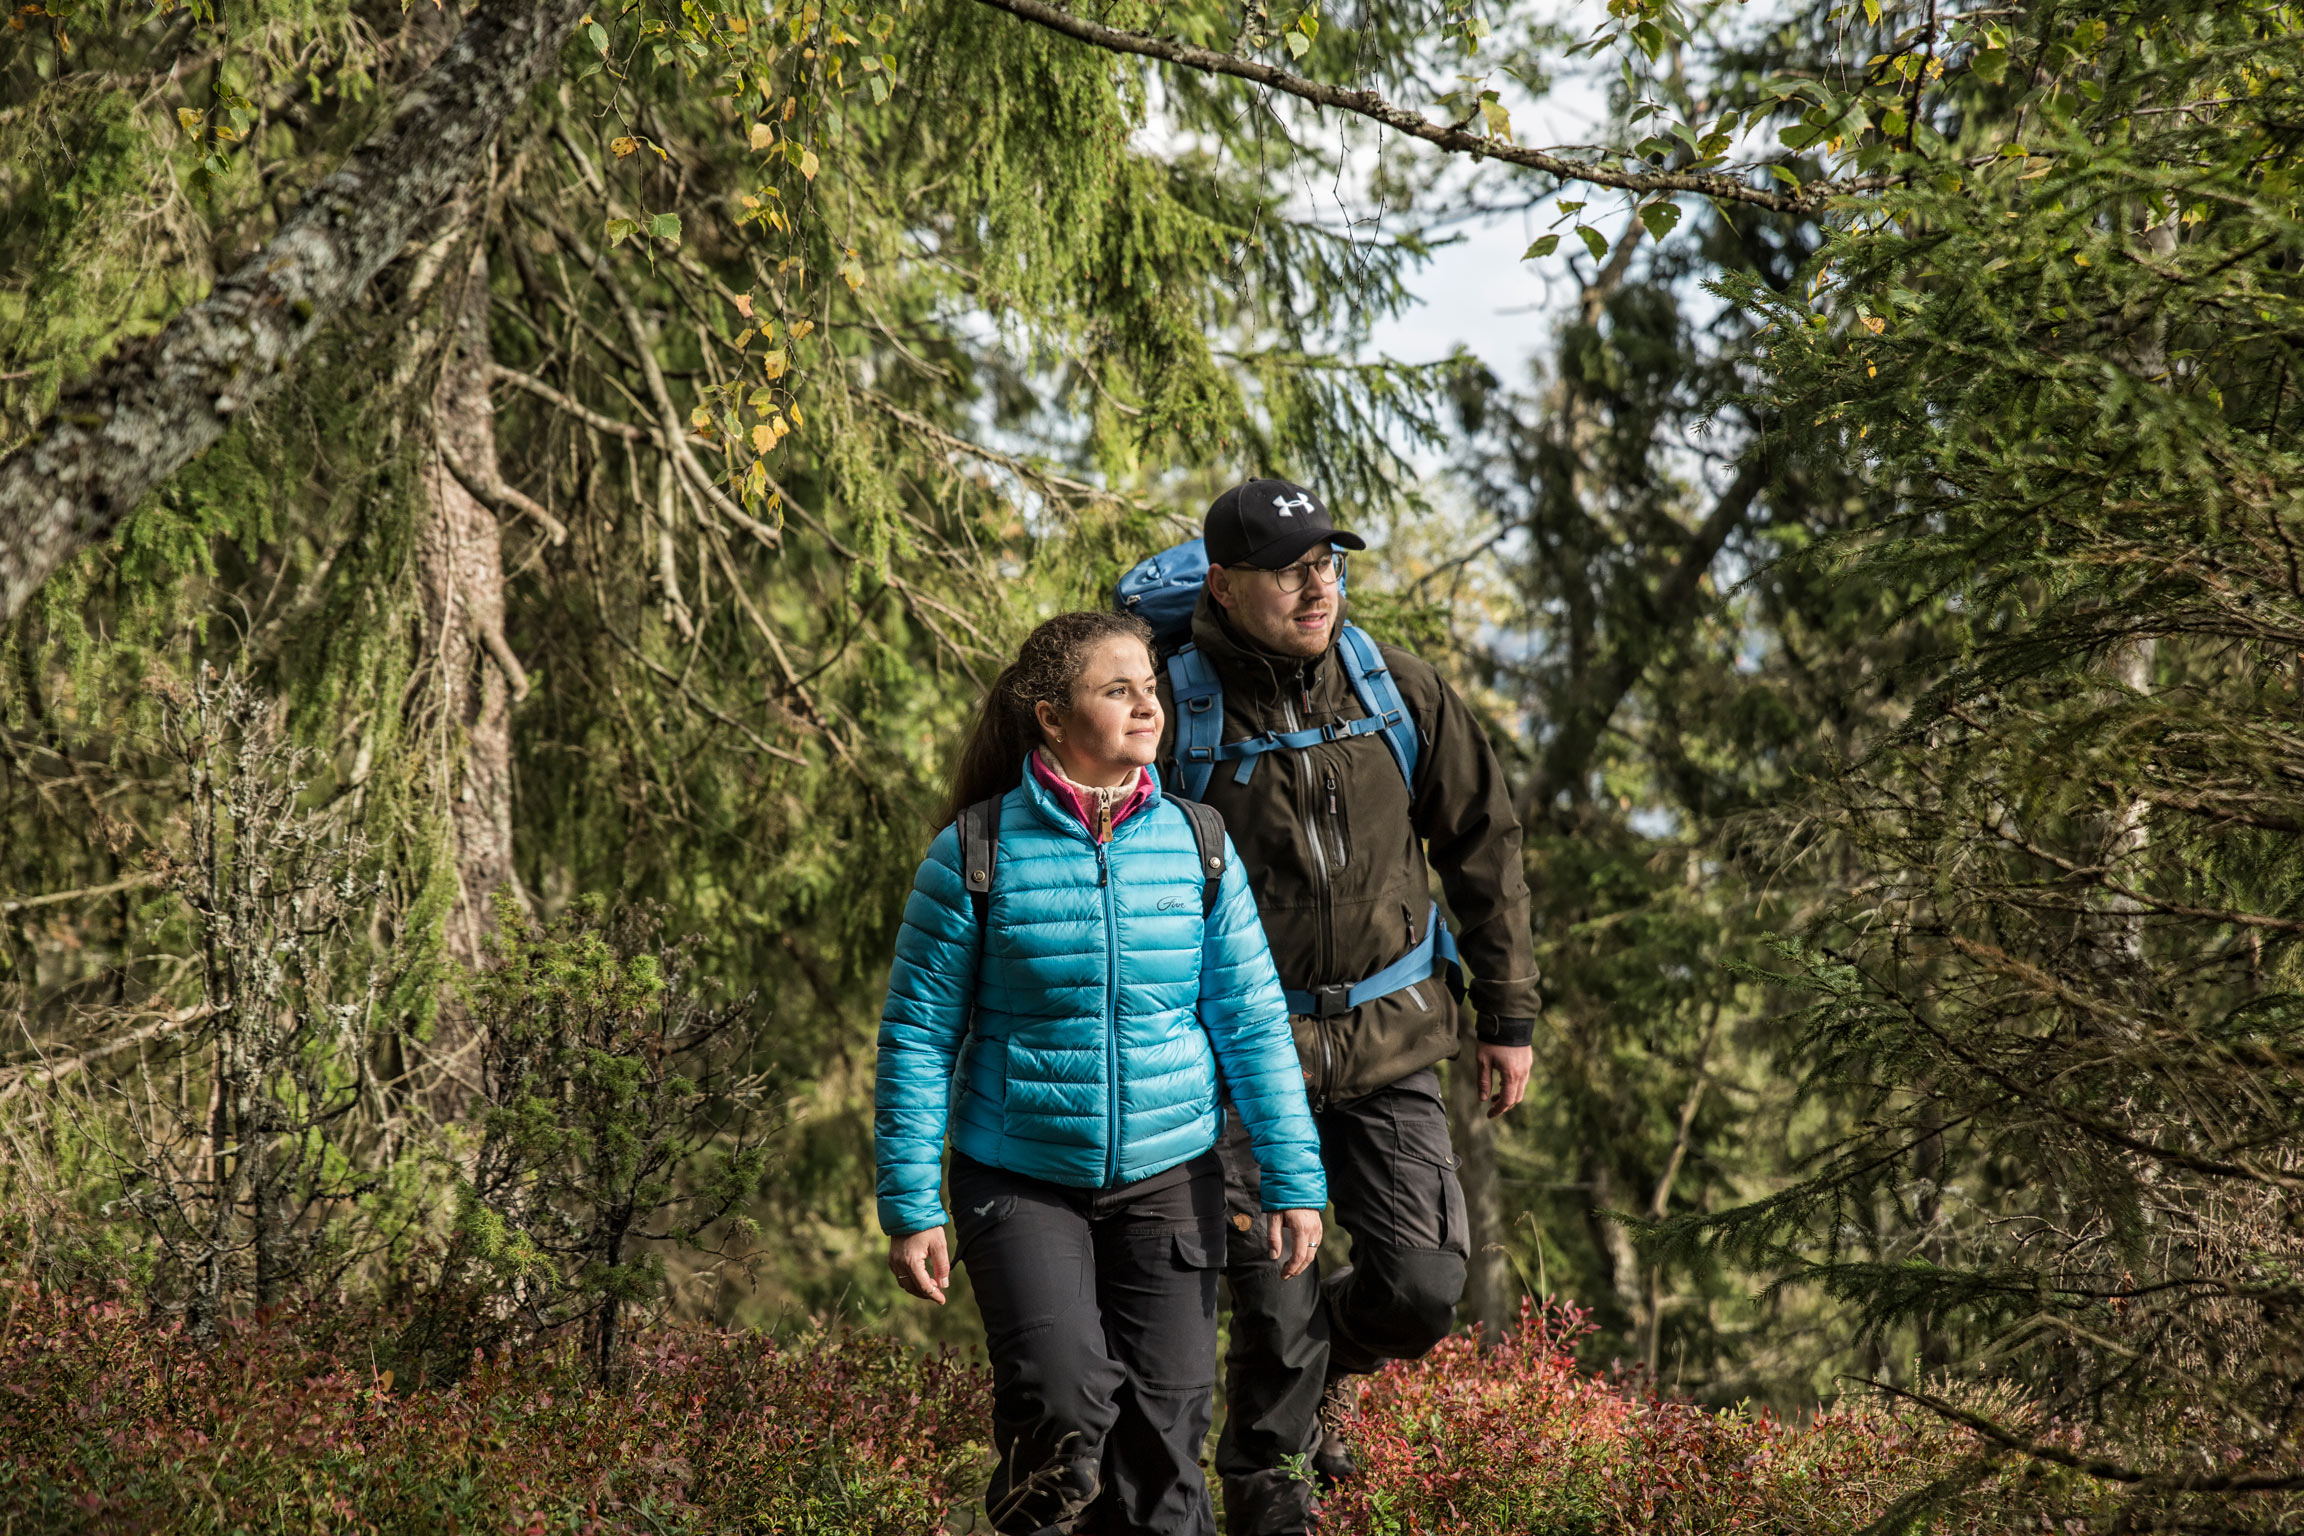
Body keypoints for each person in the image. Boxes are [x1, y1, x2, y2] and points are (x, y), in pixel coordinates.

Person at [875, 609, 1329, 1536]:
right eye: (1117, 690)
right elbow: (919, 1035)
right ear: (1051, 716)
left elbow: (1252, 1022)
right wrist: (912, 1204)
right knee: (1061, 1410)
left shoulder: (1199, 843)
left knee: (1165, 1459)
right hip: (1020, 1177)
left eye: (1149, 689)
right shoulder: (976, 849)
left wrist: (1294, 1178)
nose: (1147, 707)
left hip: (1173, 1178)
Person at [1160, 480, 1541, 1536]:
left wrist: (1507, 1015)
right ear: (1223, 585)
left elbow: (1484, 843)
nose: (1317, 586)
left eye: (1327, 562)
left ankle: (1327, 1365)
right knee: (1274, 1305)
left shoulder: (1395, 689)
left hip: (1389, 1035)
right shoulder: (1172, 709)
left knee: (1421, 1289)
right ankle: (1270, 1499)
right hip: (1244, 1056)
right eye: (1289, 570)